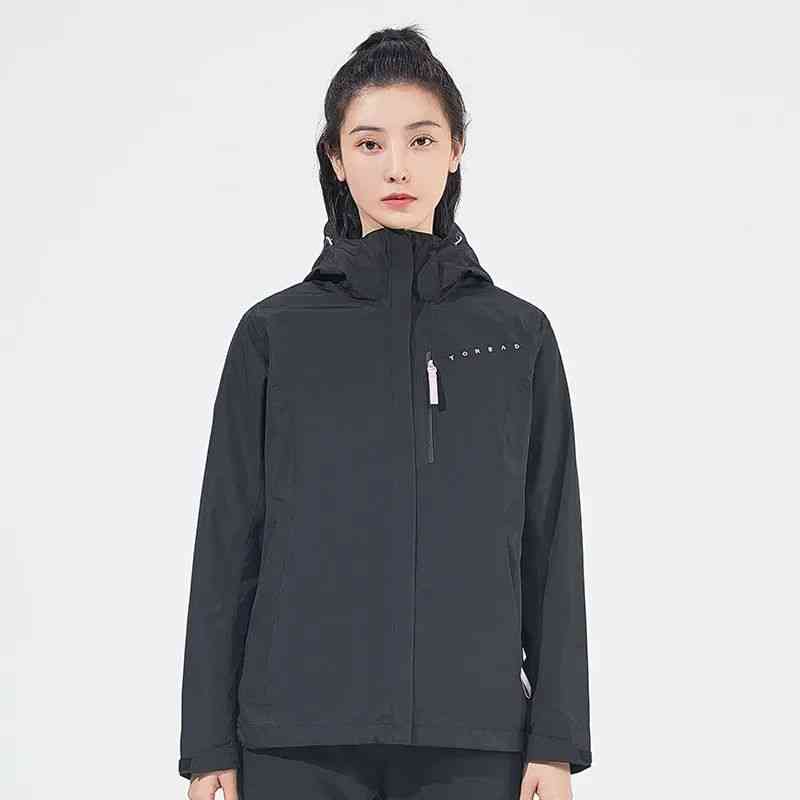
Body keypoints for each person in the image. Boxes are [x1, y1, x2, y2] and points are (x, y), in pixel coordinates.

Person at [178, 24, 592, 800]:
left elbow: (550, 540)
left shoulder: (518, 336)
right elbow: (228, 542)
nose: (397, 166)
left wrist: (557, 741)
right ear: (336, 158)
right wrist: (208, 745)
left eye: (421, 139)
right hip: (296, 740)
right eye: (369, 143)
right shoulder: (273, 334)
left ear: (456, 149)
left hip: (475, 740)